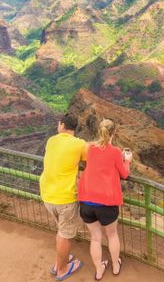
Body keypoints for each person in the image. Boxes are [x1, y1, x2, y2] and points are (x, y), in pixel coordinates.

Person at [78, 119, 133, 280]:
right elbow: (124, 174)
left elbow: (98, 160)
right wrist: (127, 160)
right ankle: (115, 266)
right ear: (114, 133)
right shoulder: (116, 151)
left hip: (87, 202)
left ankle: (99, 270)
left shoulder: (91, 149)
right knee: (112, 235)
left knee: (95, 238)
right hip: (106, 203)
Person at [40, 117, 87, 280]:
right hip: (65, 198)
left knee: (61, 231)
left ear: (61, 125)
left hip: (47, 195)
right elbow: (90, 158)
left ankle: (60, 262)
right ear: (75, 128)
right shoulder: (79, 144)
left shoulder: (51, 141)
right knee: (65, 235)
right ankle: (61, 269)